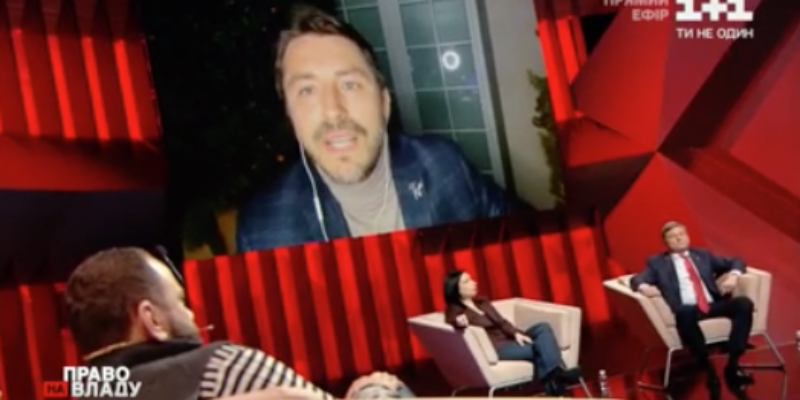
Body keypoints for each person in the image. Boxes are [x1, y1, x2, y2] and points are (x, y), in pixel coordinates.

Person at [236, 5, 524, 253]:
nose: (333, 111)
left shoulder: (443, 165)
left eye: (350, 84)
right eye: (307, 91)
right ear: (290, 117)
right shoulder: (263, 232)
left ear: (384, 103)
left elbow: (529, 240)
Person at [64, 247, 413, 399]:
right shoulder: (220, 368)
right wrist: (371, 390)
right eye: (180, 302)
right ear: (152, 319)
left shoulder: (85, 390)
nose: (191, 315)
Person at [629, 221, 754, 400]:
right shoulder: (657, 263)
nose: (678, 238)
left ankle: (733, 362)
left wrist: (734, 276)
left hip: (712, 304)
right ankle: (707, 368)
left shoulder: (702, 255)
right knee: (684, 313)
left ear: (687, 236)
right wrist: (644, 287)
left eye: (682, 234)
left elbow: (736, 261)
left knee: (743, 303)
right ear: (665, 242)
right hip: (688, 308)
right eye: (673, 236)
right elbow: (637, 279)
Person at [442, 270, 580, 396]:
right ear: (455, 289)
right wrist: (458, 321)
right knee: (542, 347)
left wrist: (515, 333)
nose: (474, 283)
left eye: (471, 279)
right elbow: (452, 319)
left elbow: (502, 321)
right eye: (467, 281)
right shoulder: (455, 310)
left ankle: (554, 380)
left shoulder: (482, 302)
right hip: (499, 348)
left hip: (510, 338)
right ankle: (557, 378)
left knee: (543, 328)